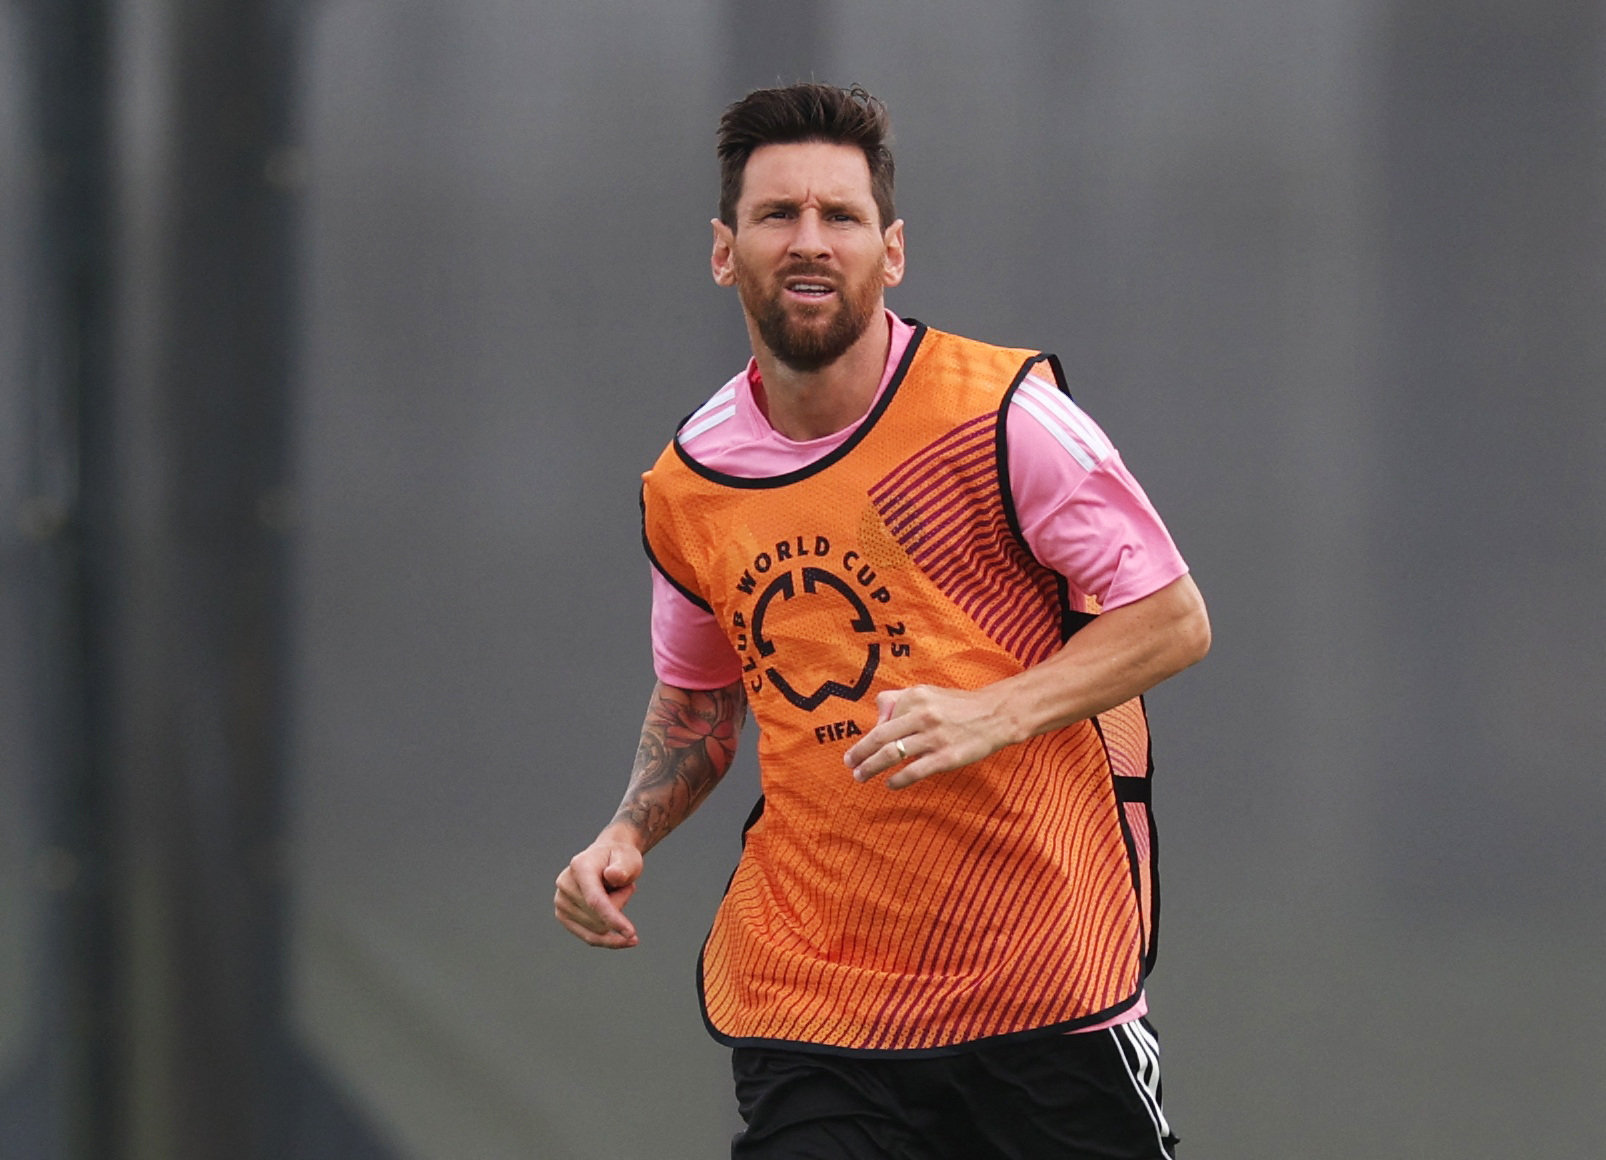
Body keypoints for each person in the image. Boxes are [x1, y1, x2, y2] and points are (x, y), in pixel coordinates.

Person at [555, 82, 1210, 1160]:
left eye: (839, 216)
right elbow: (701, 694)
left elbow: (1172, 617)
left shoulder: (1000, 416)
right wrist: (626, 830)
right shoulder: (690, 482)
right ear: (725, 251)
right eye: (776, 216)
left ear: (890, 250)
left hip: (1038, 978)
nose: (808, 242)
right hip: (818, 995)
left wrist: (990, 712)